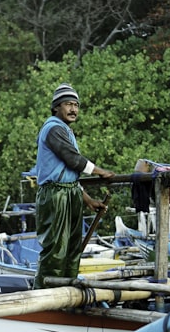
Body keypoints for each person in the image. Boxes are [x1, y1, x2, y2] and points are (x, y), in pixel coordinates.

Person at [32, 83, 115, 288]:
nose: (73, 109)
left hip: (70, 193)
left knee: (72, 248)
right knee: (55, 248)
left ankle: (66, 290)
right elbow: (72, 159)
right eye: (68, 104)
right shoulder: (53, 128)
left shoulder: (65, 130)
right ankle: (46, 292)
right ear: (56, 108)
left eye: (76, 105)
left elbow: (70, 177)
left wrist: (87, 200)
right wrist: (100, 171)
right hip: (54, 194)